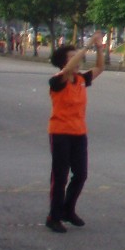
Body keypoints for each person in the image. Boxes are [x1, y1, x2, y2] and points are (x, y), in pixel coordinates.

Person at [46, 31, 105, 232]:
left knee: (80, 174)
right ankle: (53, 216)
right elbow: (69, 69)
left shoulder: (80, 79)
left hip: (79, 132)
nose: (78, 60)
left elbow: (100, 68)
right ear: (64, 62)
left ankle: (68, 209)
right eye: (72, 57)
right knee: (60, 176)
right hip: (60, 132)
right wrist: (88, 43)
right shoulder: (58, 80)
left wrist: (99, 48)